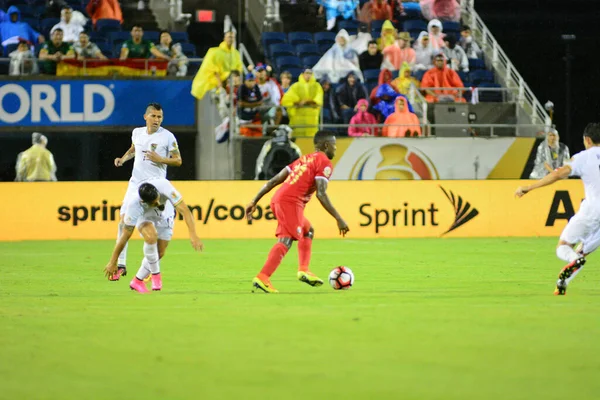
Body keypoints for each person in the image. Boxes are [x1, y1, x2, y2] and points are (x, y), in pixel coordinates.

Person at [245, 131, 349, 293]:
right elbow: (321, 193)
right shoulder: (324, 162)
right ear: (326, 145)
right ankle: (263, 277)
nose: (335, 149)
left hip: (280, 198)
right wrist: (338, 218)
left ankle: (304, 270)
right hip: (290, 202)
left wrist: (254, 200)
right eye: (334, 145)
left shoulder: (304, 159)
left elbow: (274, 180)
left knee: (308, 231)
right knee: (286, 240)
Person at [515, 123, 600, 296]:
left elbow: (557, 174)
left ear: (587, 140)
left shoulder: (581, 157)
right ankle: (562, 283)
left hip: (593, 209)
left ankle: (573, 262)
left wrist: (529, 187)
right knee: (583, 250)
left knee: (564, 247)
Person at [111, 103, 182, 281]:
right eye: (154, 116)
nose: (157, 120)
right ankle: (120, 264)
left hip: (155, 187)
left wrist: (161, 159)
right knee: (123, 220)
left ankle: (148, 270)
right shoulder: (137, 132)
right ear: (146, 117)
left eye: (160, 117)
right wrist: (123, 158)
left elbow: (178, 160)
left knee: (157, 236)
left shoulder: (168, 137)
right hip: (135, 184)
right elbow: (135, 148)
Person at [103, 179, 203, 293]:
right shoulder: (134, 205)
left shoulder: (165, 186)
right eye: (154, 203)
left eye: (158, 200)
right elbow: (124, 236)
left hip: (166, 216)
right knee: (151, 237)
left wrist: (193, 234)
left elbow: (185, 210)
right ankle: (156, 276)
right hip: (146, 217)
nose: (158, 203)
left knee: (159, 253)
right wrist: (113, 261)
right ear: (143, 202)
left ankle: (137, 281)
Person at [191, 31, 243, 100]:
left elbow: (239, 69)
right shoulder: (214, 52)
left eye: (232, 37)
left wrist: (237, 80)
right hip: (215, 85)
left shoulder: (236, 53)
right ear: (224, 38)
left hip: (230, 85)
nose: (230, 39)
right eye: (229, 37)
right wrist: (220, 85)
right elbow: (213, 70)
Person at [281, 69, 324, 137]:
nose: (308, 75)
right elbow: (287, 101)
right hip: (298, 119)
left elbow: (318, 101)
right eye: (306, 73)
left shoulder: (317, 86)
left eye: (310, 73)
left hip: (311, 120)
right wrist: (300, 102)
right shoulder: (295, 86)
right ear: (303, 74)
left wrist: (305, 101)